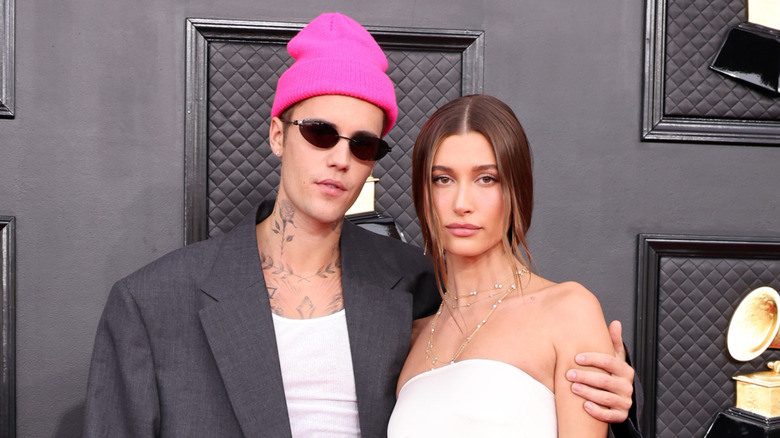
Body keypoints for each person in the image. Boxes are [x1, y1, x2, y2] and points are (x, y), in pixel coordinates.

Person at [83, 13, 639, 437]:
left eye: (364, 143)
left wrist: (616, 394)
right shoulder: (151, 304)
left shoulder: (412, 288)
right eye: (320, 132)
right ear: (279, 134)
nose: (340, 158)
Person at [388, 94, 636, 437]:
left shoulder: (568, 311)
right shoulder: (412, 336)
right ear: (422, 191)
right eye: (443, 179)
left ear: (517, 189)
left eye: (486, 178)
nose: (462, 203)